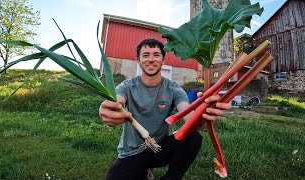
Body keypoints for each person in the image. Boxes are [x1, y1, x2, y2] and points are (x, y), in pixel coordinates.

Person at [99, 38, 231, 180]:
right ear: (138, 60)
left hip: (159, 148)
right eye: (145, 55)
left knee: (193, 138)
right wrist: (109, 109)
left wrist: (203, 111)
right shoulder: (126, 86)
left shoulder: (173, 89)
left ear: (163, 60)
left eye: (156, 55)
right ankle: (144, 171)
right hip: (132, 153)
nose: (151, 59)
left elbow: (188, 116)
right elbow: (117, 100)